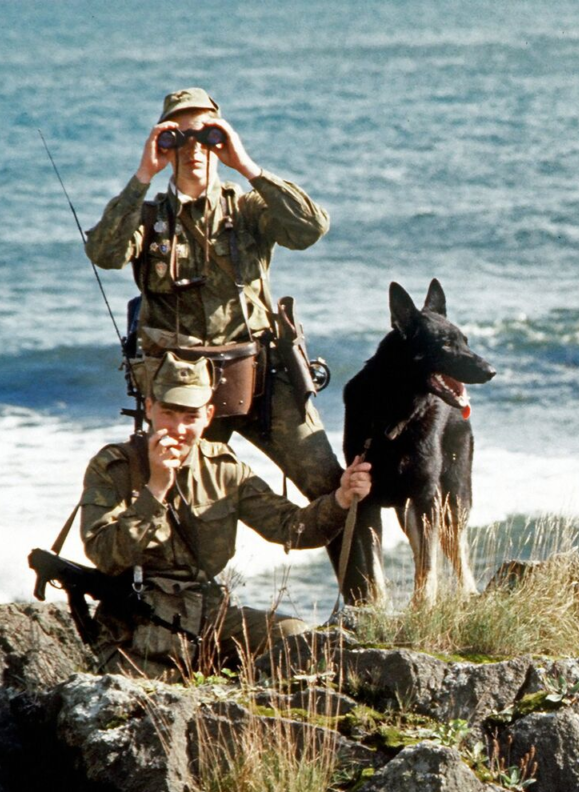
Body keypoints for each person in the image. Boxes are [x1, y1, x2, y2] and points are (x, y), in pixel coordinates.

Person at [83, 88, 346, 571]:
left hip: (259, 379)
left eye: (206, 134)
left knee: (331, 485)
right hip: (181, 392)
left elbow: (310, 229)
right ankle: (185, 608)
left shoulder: (247, 210)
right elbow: (103, 254)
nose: (195, 148)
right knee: (183, 500)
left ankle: (360, 603)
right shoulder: (148, 218)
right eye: (180, 137)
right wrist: (144, 175)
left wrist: (247, 164)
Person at [79, 355, 372, 680]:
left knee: (296, 637)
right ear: (149, 408)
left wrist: (341, 499)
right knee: (147, 697)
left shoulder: (224, 469)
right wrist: (156, 489)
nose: (177, 429)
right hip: (135, 623)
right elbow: (104, 555)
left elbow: (291, 528)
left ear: (208, 415)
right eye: (168, 413)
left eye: (190, 416)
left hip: (208, 616)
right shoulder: (113, 467)